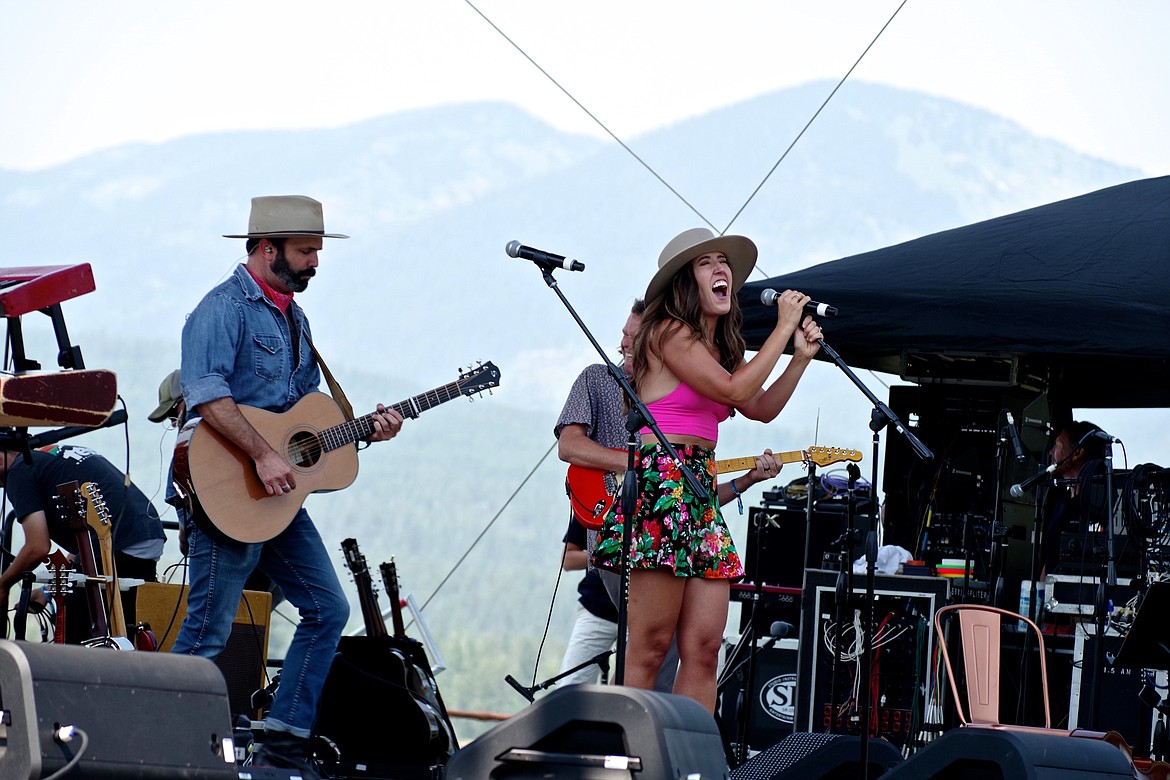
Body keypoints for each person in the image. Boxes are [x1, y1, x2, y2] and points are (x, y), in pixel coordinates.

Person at [171, 195, 403, 779]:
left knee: (328, 608)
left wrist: (363, 433)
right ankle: (162, 743)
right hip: (227, 488)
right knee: (207, 630)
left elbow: (305, 421)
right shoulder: (220, 309)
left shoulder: (296, 320)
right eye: (305, 252)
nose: (314, 264)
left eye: (317, 252)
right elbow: (208, 397)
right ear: (267, 249)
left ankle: (284, 742)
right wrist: (264, 454)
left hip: (275, 498)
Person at [592, 227, 822, 711]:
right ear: (684, 281)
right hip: (661, 481)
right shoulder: (671, 333)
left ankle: (687, 757)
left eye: (725, 262)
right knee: (651, 648)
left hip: (697, 483)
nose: (722, 270)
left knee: (704, 648)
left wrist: (798, 360)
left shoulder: (722, 351)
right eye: (706, 263)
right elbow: (738, 393)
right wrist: (782, 328)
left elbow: (758, 407)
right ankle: (630, 754)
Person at [555, 300, 785, 692]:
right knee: (648, 649)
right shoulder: (597, 379)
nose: (626, 344)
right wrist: (638, 462)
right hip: (623, 523)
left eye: (634, 336)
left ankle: (663, 739)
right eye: (624, 336)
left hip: (681, 508)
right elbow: (569, 446)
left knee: (687, 648)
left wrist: (743, 482)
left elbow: (693, 489)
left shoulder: (688, 374)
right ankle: (625, 738)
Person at [0, 441, 166, 643]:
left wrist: (3, 584)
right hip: (146, 535)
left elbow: (38, 547)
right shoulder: (50, 456)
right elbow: (83, 540)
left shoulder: (19, 471)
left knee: (79, 643)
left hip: (115, 542)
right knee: (125, 638)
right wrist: (49, 590)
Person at [1038, 419, 1109, 577]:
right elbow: (1050, 561)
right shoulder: (1059, 501)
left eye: (1057, 446)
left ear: (1077, 453)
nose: (1051, 452)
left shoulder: (1103, 508)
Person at [557, 515, 619, 686]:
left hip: (643, 616)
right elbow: (567, 559)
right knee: (570, 686)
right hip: (597, 607)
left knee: (633, 689)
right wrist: (606, 554)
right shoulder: (595, 501)